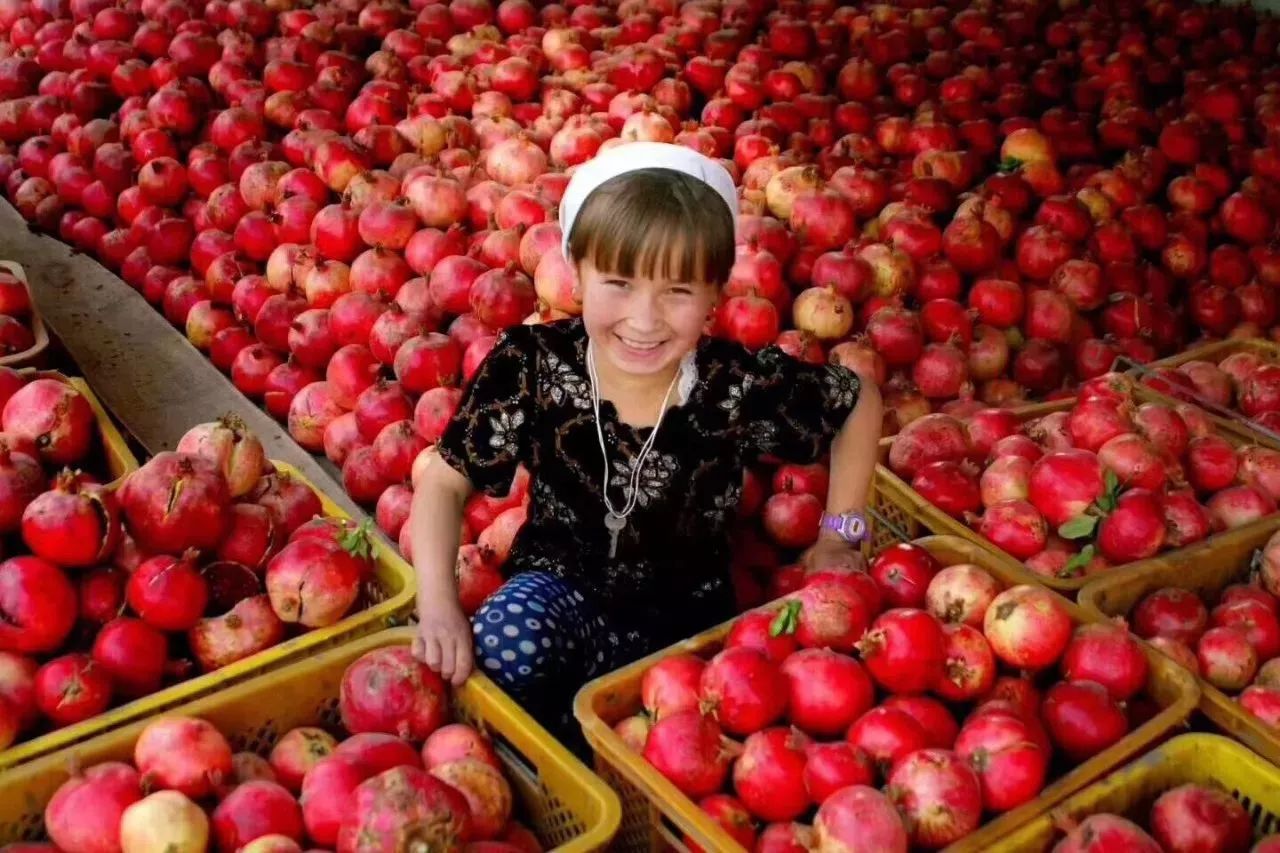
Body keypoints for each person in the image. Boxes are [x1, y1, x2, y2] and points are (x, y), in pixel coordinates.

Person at [409, 141, 882, 742]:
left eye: (678, 292)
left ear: (714, 297)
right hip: (561, 596)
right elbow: (446, 482)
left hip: (687, 630)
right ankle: (552, 745)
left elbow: (857, 399)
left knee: (691, 738)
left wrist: (842, 534)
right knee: (503, 640)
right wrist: (439, 602)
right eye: (619, 283)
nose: (645, 317)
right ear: (576, 273)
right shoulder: (529, 363)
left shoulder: (731, 384)